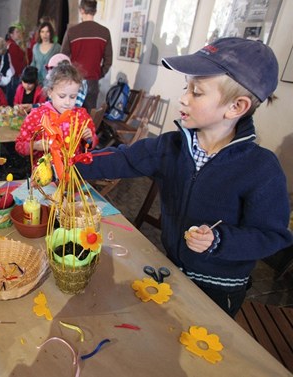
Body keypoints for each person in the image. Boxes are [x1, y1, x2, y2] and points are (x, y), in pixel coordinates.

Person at [77, 38, 293, 317]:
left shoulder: (260, 169)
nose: (183, 98)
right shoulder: (171, 146)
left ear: (236, 107)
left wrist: (219, 240)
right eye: (185, 88)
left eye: (197, 92)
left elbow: (272, 236)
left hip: (219, 289)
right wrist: (74, 162)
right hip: (173, 269)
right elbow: (124, 159)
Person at [15, 60, 97, 160]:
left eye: (73, 97)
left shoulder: (81, 115)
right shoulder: (37, 116)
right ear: (50, 92)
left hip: (73, 171)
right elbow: (19, 146)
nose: (67, 102)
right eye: (62, 96)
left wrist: (89, 139)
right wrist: (34, 145)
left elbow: (92, 142)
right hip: (45, 173)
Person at [61, 0, 112, 113]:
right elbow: (108, 60)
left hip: (74, 79)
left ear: (81, 10)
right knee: (88, 117)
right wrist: (99, 73)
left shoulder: (72, 31)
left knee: (70, 115)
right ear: (95, 11)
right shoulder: (104, 32)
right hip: (93, 80)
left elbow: (63, 57)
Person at [5, 25, 28, 106]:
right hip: (15, 75)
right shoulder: (12, 45)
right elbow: (16, 62)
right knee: (14, 96)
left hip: (15, 74)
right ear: (11, 35)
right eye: (17, 32)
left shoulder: (12, 44)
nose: (19, 34)